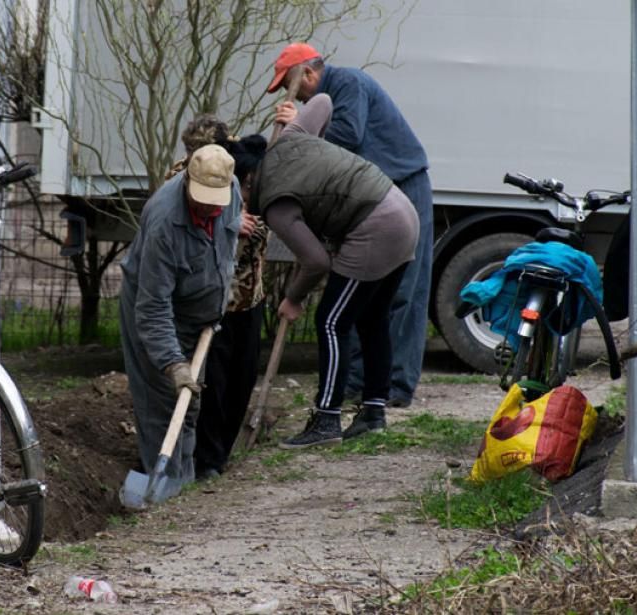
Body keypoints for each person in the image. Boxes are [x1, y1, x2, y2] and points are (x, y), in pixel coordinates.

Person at [267, 42, 433, 437]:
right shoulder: (329, 92)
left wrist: (299, 123)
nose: (301, 97)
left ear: (308, 74)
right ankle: (361, 389)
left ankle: (393, 388)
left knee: (399, 295)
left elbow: (348, 135)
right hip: (369, 198)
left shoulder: (349, 83)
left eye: (294, 88)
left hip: (400, 188)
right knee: (367, 308)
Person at [118, 144, 241, 493]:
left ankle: (182, 487)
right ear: (188, 179)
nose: (210, 206)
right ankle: (167, 492)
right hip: (157, 315)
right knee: (165, 405)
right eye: (203, 198)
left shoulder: (229, 193)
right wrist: (173, 363)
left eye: (216, 198)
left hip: (198, 319)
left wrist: (219, 292)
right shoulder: (164, 222)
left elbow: (226, 243)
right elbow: (153, 306)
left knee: (190, 405)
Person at [164, 115, 270, 480]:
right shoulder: (181, 179)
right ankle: (207, 461)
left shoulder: (244, 168)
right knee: (214, 382)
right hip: (212, 301)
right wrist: (229, 222)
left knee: (243, 376)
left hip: (248, 294)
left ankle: (223, 453)